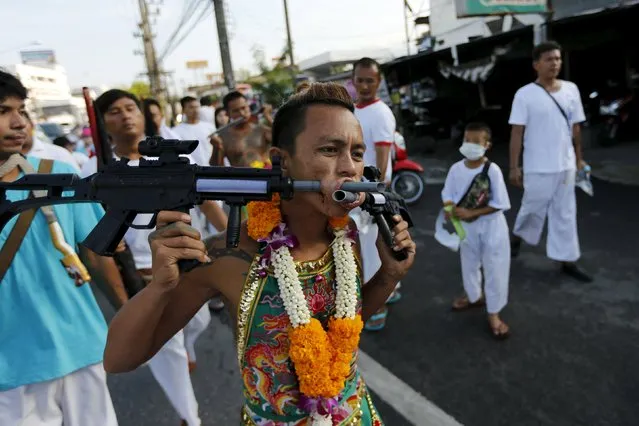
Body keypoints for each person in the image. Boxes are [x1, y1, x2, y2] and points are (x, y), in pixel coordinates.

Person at [103, 82, 416, 425]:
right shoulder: (226, 256)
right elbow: (119, 360)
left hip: (355, 416)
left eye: (357, 154)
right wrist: (159, 286)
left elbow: (345, 326)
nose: (349, 168)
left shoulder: (347, 234)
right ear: (281, 161)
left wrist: (388, 276)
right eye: (329, 150)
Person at [81, 89, 226, 426]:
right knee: (169, 352)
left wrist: (234, 238)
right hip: (142, 274)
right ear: (102, 122)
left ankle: (187, 356)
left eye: (130, 107)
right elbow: (95, 244)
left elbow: (206, 201)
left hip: (187, 266)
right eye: (114, 111)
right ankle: (190, 417)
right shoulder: (95, 168)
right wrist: (121, 299)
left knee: (199, 322)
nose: (125, 115)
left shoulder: (174, 159)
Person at [0, 70, 126, 426]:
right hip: (9, 369)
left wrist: (128, 317)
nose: (18, 122)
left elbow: (96, 256)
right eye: (3, 111)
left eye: (21, 110)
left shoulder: (57, 173)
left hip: (81, 345)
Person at [508, 41, 592, 283]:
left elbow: (576, 128)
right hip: (537, 166)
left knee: (565, 214)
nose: (555, 63)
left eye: (557, 58)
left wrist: (578, 159)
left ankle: (567, 260)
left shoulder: (571, 90)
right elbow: (517, 133)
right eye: (549, 59)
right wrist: (514, 166)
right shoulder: (524, 95)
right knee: (532, 208)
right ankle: (518, 236)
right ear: (536, 65)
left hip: (565, 165)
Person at [442, 122, 511, 339]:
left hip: (492, 227)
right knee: (469, 263)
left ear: (487, 145)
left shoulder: (493, 170)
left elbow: (500, 203)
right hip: (466, 229)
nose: (469, 145)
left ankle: (494, 313)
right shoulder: (456, 169)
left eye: (475, 141)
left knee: (495, 267)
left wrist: (472, 213)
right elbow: (448, 193)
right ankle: (474, 297)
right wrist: (449, 208)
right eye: (466, 140)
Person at [350, 57, 401, 331]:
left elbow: (382, 156)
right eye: (361, 80)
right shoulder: (354, 110)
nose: (365, 85)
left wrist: (374, 193)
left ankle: (378, 305)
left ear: (378, 82)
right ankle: (392, 289)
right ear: (353, 80)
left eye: (370, 80)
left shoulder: (381, 113)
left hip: (371, 192)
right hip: (360, 189)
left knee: (370, 250)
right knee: (381, 243)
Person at [212, 91, 272, 166]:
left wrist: (268, 117)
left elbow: (284, 140)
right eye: (236, 111)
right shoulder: (223, 137)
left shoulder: (262, 130)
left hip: (266, 176)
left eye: (244, 108)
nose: (242, 113)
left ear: (248, 107)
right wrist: (217, 148)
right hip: (240, 177)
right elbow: (216, 167)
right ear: (228, 113)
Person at [172, 96, 217, 168]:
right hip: (191, 172)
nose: (195, 110)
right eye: (191, 107)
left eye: (197, 107)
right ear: (183, 110)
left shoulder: (209, 127)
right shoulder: (175, 132)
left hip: (211, 170)